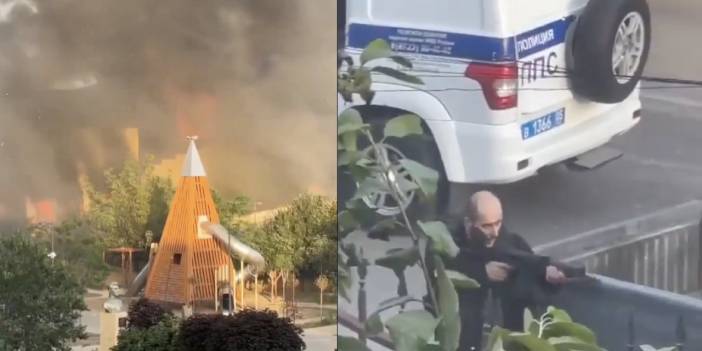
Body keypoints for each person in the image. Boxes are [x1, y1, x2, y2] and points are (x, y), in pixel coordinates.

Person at [447, 191, 567, 351]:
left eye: (498, 223)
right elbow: (442, 266)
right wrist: (481, 272)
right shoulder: (450, 241)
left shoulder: (511, 243)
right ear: (469, 223)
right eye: (486, 226)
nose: (495, 232)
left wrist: (550, 277)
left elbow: (533, 272)